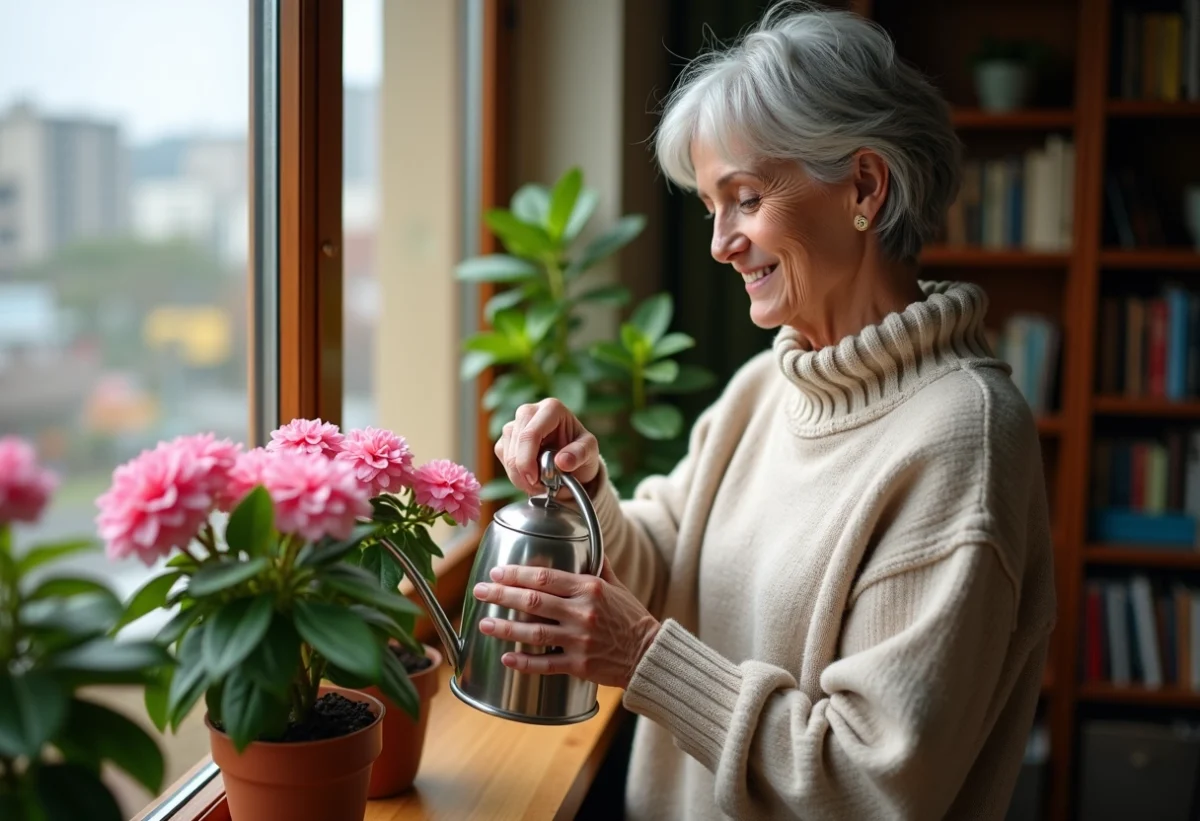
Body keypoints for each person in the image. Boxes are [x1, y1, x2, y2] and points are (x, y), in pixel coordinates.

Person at [471, 5, 1056, 819]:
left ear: (864, 185)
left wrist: (642, 652)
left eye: (744, 198)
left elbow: (874, 781)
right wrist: (585, 480)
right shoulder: (767, 385)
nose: (720, 242)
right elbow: (665, 565)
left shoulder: (964, 438)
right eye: (712, 205)